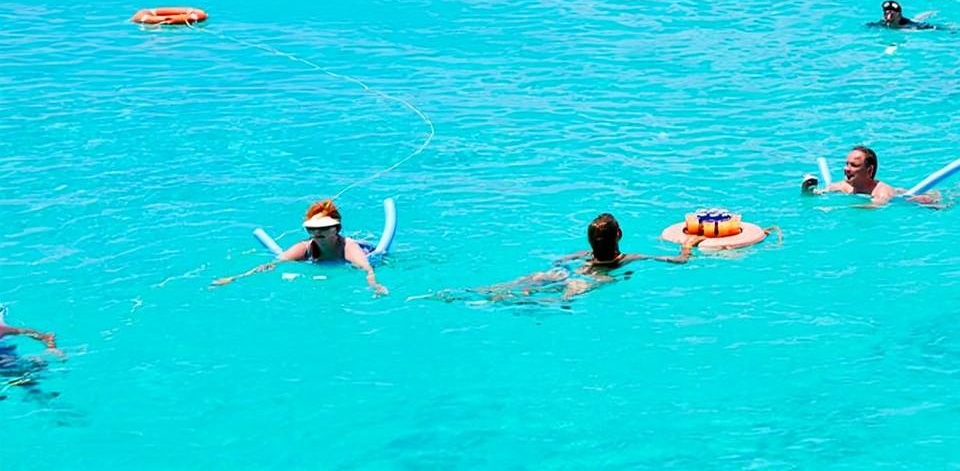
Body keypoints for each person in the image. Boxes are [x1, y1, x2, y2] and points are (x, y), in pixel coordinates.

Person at [421, 213, 706, 303]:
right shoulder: (630, 258)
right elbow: (679, 262)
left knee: (517, 284)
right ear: (619, 234)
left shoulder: (582, 253)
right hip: (591, 280)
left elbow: (560, 261)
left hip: (566, 271)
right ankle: (497, 301)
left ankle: (473, 293)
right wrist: (687, 245)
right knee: (551, 301)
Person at [213, 199, 388, 295]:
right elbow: (271, 265)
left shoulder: (348, 247)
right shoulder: (304, 248)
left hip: (369, 253)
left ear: (336, 229)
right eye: (312, 229)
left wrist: (375, 286)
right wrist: (235, 278)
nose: (317, 232)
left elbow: (367, 270)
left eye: (323, 228)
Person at [801, 146, 938, 206]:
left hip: (908, 200)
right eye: (846, 164)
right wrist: (807, 189)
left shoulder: (882, 192)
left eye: (853, 165)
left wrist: (839, 209)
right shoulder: (844, 187)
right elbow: (819, 193)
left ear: (869, 170)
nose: (846, 169)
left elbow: (871, 208)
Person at [0, 306, 63, 401]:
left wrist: (52, 347)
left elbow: (43, 336)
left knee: (20, 373)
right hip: (6, 358)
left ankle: (39, 395)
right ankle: (38, 395)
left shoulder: (2, 329)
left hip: (7, 358)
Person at [867, 0, 935, 30]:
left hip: (911, 22)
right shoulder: (883, 23)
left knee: (918, 20)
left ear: (898, 14)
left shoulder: (909, 25)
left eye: (891, 13)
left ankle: (930, 13)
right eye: (885, 13)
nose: (887, 15)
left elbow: (929, 27)